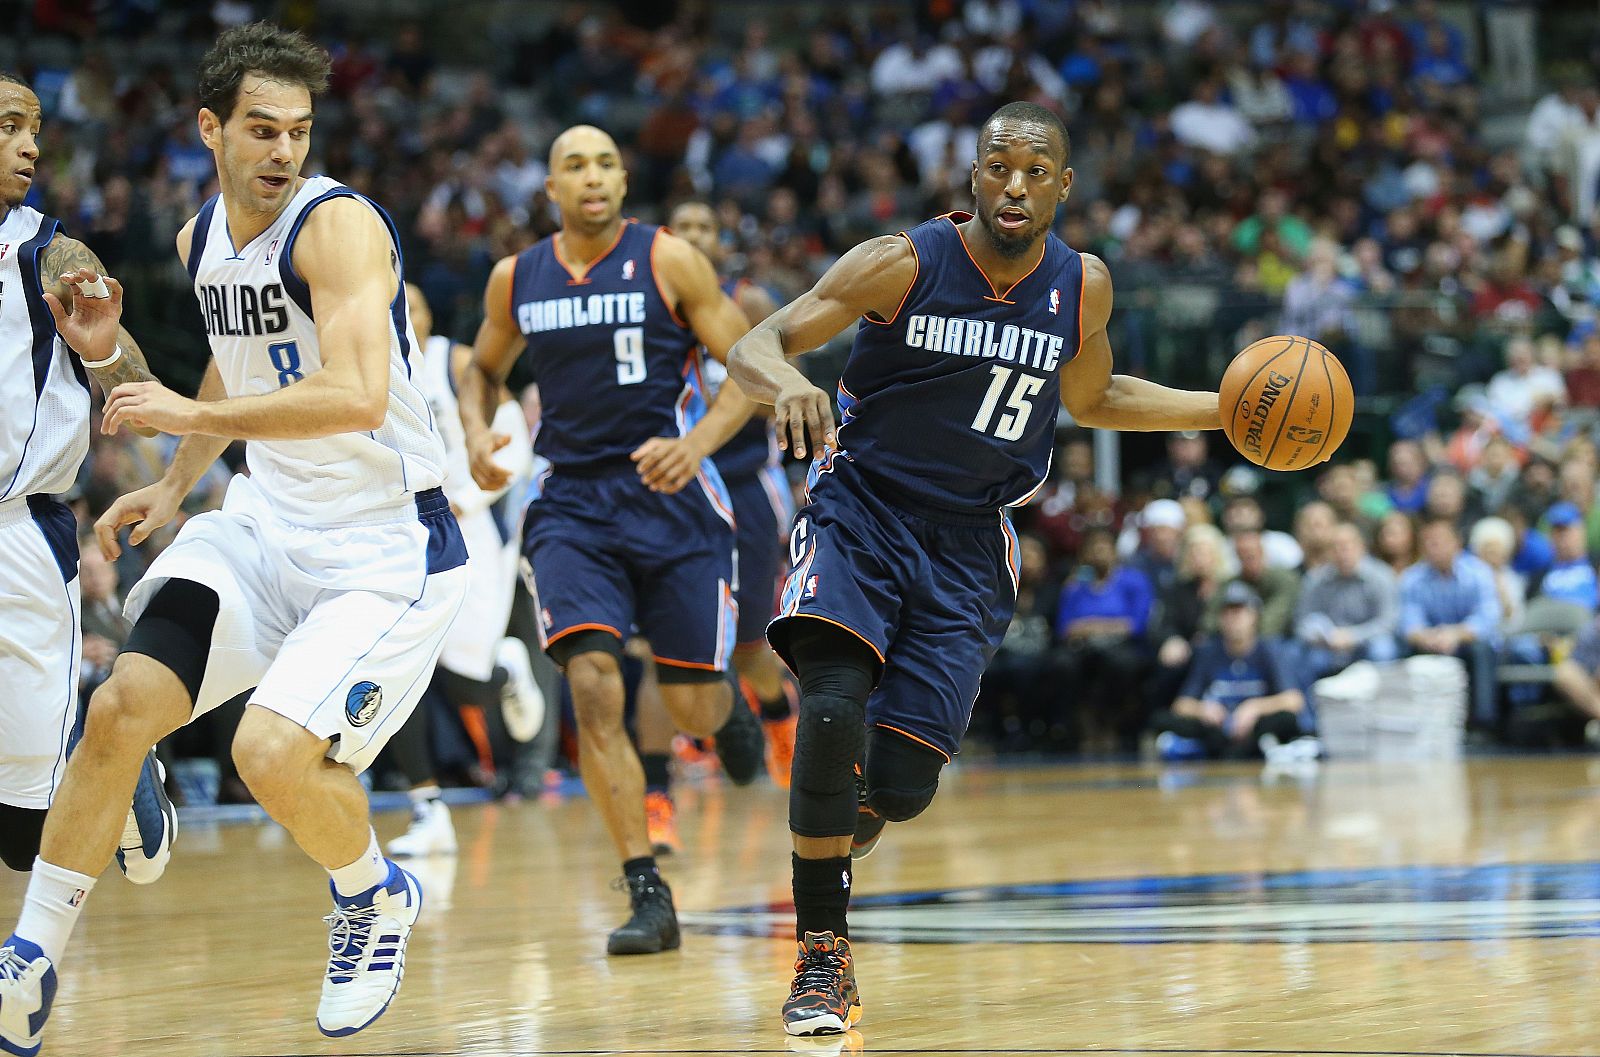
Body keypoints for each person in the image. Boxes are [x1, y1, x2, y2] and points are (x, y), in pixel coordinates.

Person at [0, 25, 469, 1048]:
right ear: (211, 129)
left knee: (271, 752)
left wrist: (186, 421)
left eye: (298, 131)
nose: (283, 151)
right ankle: (29, 961)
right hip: (264, 521)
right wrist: (175, 486)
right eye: (261, 129)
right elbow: (235, 361)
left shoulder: (337, 230)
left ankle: (371, 892)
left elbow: (353, 396)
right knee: (120, 703)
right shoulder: (198, 235)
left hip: (384, 549)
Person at [726, 101, 1224, 1037]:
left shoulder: (1083, 286)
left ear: (1063, 187)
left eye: (1036, 172)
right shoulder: (901, 262)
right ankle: (823, 956)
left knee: (903, 785)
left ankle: (842, 816)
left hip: (969, 541)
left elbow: (1099, 394)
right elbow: (756, 342)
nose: (1016, 186)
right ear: (974, 174)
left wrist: (1224, 407)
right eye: (1000, 167)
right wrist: (790, 382)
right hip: (862, 509)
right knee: (832, 703)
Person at [458, 123, 766, 957]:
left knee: (691, 700)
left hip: (673, 498)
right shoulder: (515, 277)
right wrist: (478, 431)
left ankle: (728, 709)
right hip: (572, 504)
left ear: (623, 181)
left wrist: (696, 444)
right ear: (550, 188)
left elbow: (751, 365)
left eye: (603, 163)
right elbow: (481, 368)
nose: (590, 177)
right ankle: (647, 889)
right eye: (572, 165)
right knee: (593, 684)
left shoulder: (669, 259)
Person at [0, 69, 177, 892]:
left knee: (23, 837)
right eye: (7, 127)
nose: (29, 145)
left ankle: (122, 762)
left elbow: (135, 391)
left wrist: (104, 349)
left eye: (33, 129)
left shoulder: (53, 253)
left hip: (21, 536)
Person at [385, 282, 541, 859]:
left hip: (470, 527)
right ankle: (428, 809)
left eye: (411, 305)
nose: (400, 315)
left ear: (428, 314)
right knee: (401, 669)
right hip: (399, 535)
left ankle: (504, 669)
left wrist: (470, 498)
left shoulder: (455, 362)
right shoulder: (363, 367)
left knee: (466, 682)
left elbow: (512, 440)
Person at [662, 201, 797, 779]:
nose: (694, 235)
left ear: (721, 239)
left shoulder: (750, 301)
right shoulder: (656, 304)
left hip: (744, 485)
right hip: (680, 486)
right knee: (684, 632)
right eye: (682, 227)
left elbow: (783, 386)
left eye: (704, 226)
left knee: (749, 643)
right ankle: (706, 737)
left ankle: (783, 729)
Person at [1152, 582, 1308, 760]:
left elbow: (1294, 701)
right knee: (1161, 720)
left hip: (1254, 728)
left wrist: (1254, 708)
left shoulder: (1270, 651)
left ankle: (1195, 748)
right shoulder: (1208, 651)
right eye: (1227, 613)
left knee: (1286, 721)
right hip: (1217, 728)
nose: (1233, 619)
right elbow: (1182, 705)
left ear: (1254, 616)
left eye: (1239, 612)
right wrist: (1203, 709)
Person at [1052, 528, 1154, 749]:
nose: (1099, 552)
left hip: (1122, 647)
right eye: (1093, 548)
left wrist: (1089, 625)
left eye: (1104, 547)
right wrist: (1109, 625)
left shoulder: (1133, 580)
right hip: (1082, 648)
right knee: (1062, 664)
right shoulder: (1075, 584)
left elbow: (1136, 624)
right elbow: (1065, 627)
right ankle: (1079, 726)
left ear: (1115, 551)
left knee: (1121, 665)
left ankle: (1114, 724)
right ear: (1084, 554)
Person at [1399, 516, 1503, 729]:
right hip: (1430, 642)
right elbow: (1409, 623)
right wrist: (1428, 638)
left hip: (1467, 641)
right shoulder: (1411, 578)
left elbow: (1488, 617)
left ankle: (1483, 725)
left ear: (1457, 544)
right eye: (1427, 542)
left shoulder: (1479, 572)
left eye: (1438, 541)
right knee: (1402, 650)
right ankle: (1418, 724)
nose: (1432, 547)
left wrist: (1454, 635)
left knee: (1482, 649)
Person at [1294, 521, 1401, 679]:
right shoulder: (1316, 580)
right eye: (1335, 548)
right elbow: (1301, 622)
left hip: (1366, 642)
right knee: (1304, 655)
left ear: (1361, 548)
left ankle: (1382, 700)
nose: (1341, 554)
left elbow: (1388, 622)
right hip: (1328, 645)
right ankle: (1314, 703)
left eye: (1346, 547)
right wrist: (1322, 636)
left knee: (1383, 649)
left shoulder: (1381, 576)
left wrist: (1353, 636)